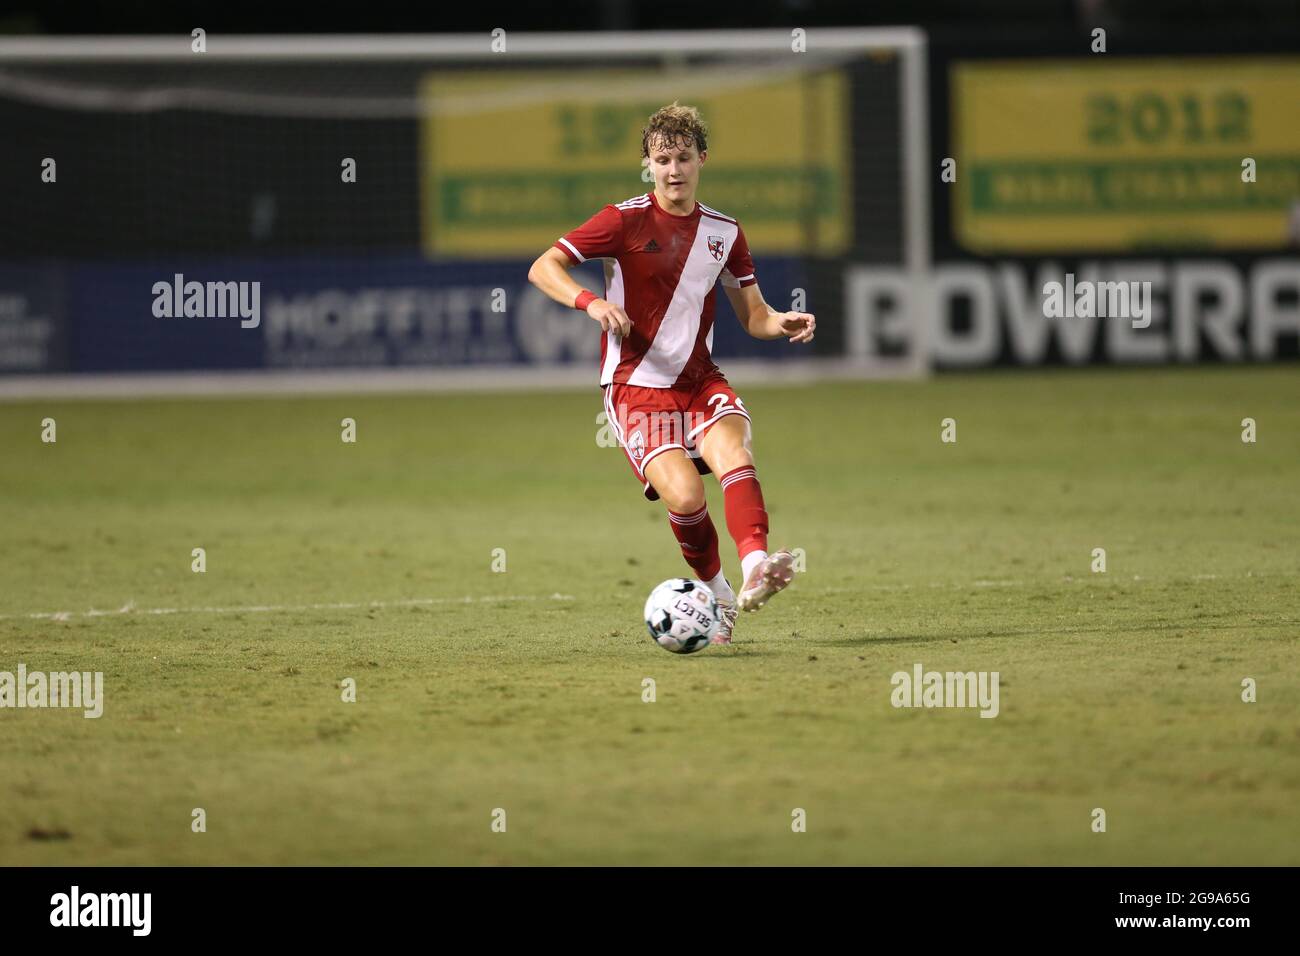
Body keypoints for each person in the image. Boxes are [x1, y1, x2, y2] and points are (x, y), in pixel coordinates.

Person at [527, 102, 815, 643]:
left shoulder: (724, 233)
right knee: (685, 499)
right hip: (635, 388)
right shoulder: (622, 220)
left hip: (700, 380)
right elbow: (543, 267)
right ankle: (721, 594)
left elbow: (754, 316)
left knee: (734, 452)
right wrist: (590, 303)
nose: (674, 169)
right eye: (662, 159)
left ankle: (756, 566)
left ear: (702, 159)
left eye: (684, 157)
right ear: (648, 165)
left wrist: (782, 322)